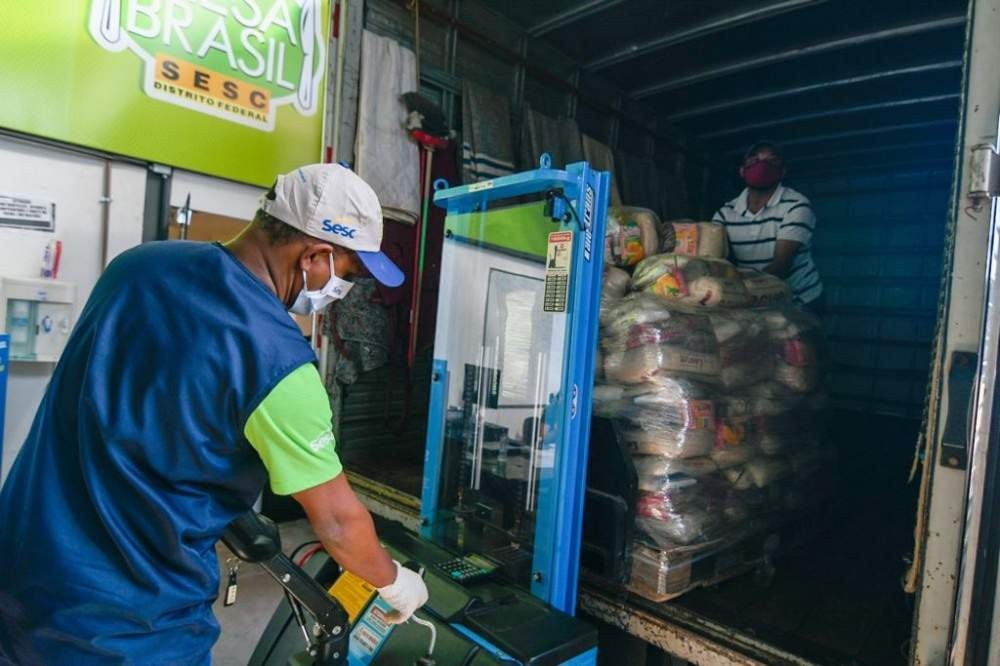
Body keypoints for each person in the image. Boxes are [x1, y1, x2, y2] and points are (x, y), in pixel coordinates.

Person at [0, 164, 429, 664]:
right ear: (314, 255)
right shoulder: (277, 362)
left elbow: (154, 401)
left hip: (22, 573)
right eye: (348, 275)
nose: (343, 292)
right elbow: (336, 521)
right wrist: (395, 582)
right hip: (130, 624)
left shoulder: (137, 267)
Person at [713, 141, 824, 315]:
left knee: (802, 341)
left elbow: (781, 266)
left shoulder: (796, 205)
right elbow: (713, 258)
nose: (762, 166)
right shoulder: (725, 213)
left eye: (772, 161)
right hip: (755, 298)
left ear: (783, 172)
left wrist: (734, 290)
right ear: (742, 171)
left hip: (800, 299)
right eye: (754, 161)